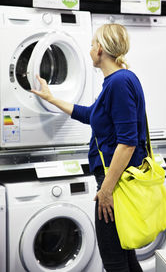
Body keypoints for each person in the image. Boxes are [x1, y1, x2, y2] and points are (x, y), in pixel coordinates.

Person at [31, 23, 146, 272]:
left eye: (93, 43)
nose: (90, 48)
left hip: (115, 184)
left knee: (114, 259)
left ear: (101, 49)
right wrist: (51, 98)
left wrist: (106, 190)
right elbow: (90, 114)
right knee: (125, 257)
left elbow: (127, 143)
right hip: (117, 182)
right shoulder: (116, 81)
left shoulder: (119, 82)